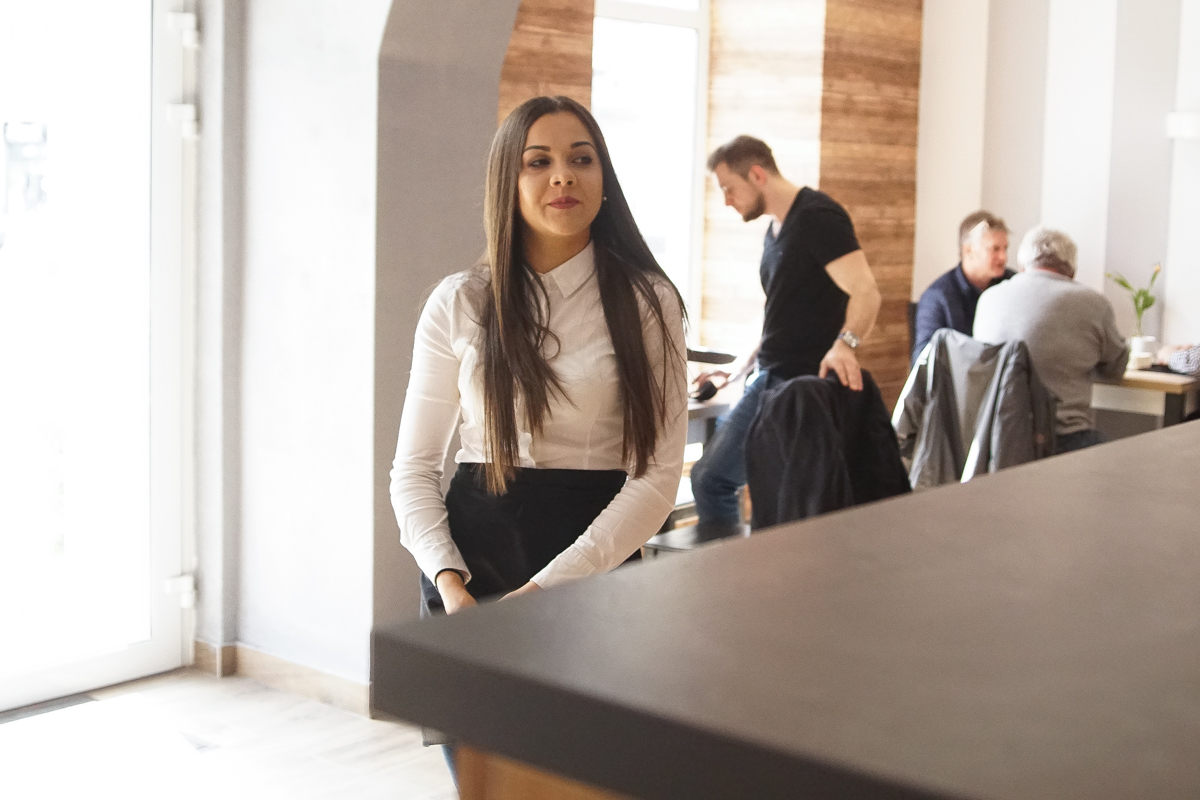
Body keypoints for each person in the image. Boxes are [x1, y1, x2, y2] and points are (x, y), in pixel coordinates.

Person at [389, 96, 688, 764]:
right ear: (508, 179)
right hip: (470, 577)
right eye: (538, 162)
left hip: (594, 566)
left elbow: (657, 477)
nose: (563, 176)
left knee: (587, 774)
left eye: (582, 159)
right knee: (485, 778)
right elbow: (412, 471)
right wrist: (450, 585)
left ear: (604, 180)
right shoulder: (459, 301)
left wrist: (542, 594)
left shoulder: (648, 302)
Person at [689, 135, 881, 526]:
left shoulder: (818, 217)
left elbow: (866, 291)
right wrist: (736, 370)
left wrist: (846, 344)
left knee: (723, 484)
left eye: (729, 188)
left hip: (800, 386)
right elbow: (778, 315)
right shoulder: (776, 231)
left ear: (757, 175)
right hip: (768, 376)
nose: (726, 201)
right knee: (723, 483)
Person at [973, 226, 1129, 454]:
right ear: (1072, 270)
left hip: (995, 442)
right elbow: (1116, 369)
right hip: (1063, 439)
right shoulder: (1093, 303)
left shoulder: (988, 299)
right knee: (1121, 461)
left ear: (1022, 266)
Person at [911, 210, 1014, 363]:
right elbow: (923, 360)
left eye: (1005, 248)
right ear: (968, 250)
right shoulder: (937, 297)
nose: (1003, 257)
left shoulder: (1013, 284)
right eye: (995, 249)